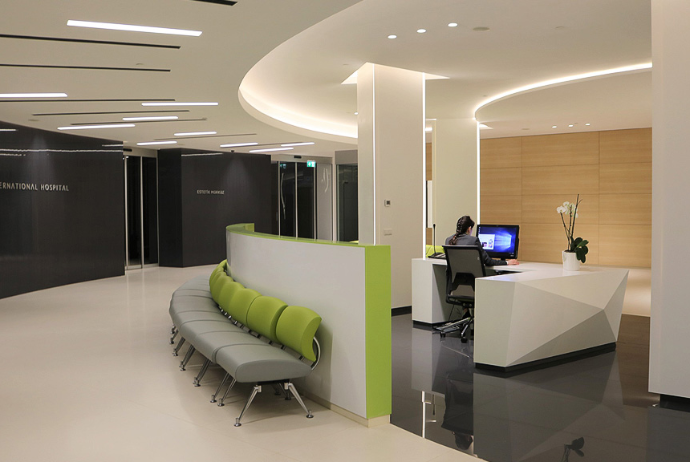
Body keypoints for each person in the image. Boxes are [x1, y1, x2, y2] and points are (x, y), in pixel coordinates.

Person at [445, 216, 519, 266]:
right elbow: (488, 261)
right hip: (472, 279)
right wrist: (507, 262)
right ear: (469, 229)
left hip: (454, 279)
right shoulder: (473, 240)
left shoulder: (448, 240)